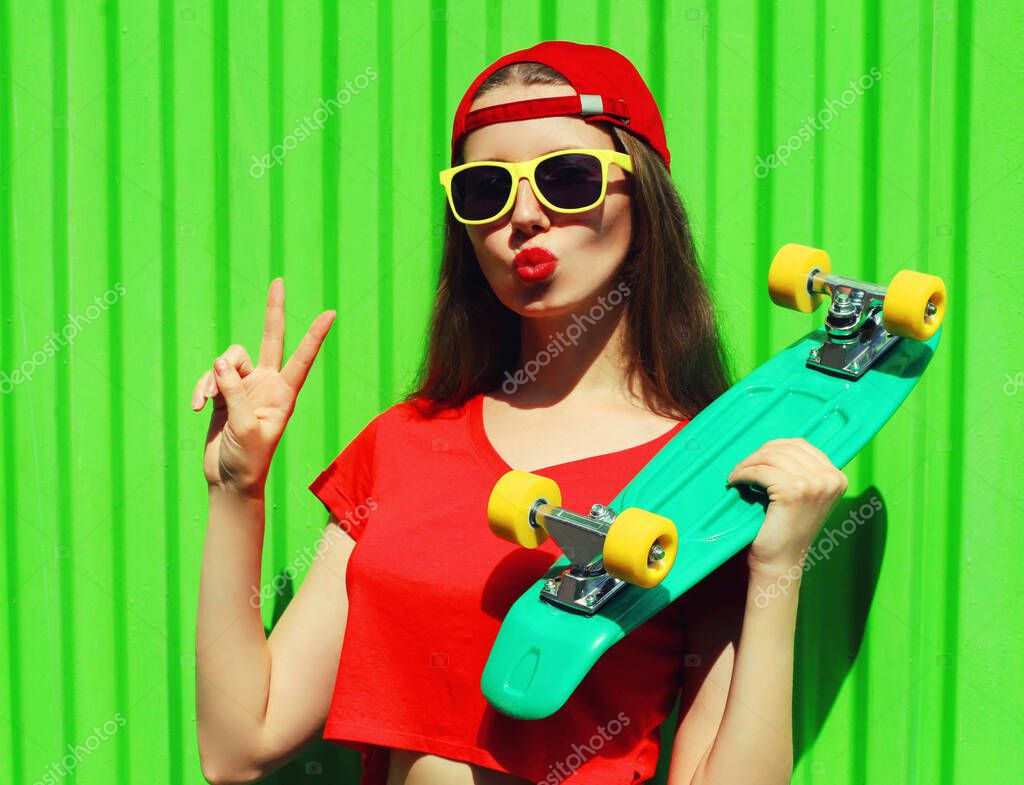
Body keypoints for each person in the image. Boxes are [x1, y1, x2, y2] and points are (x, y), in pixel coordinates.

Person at [192, 40, 847, 785]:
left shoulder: (704, 478)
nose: (524, 216)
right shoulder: (403, 446)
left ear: (646, 197)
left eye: (567, 179)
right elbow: (239, 744)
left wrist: (779, 568)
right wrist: (234, 489)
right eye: (484, 191)